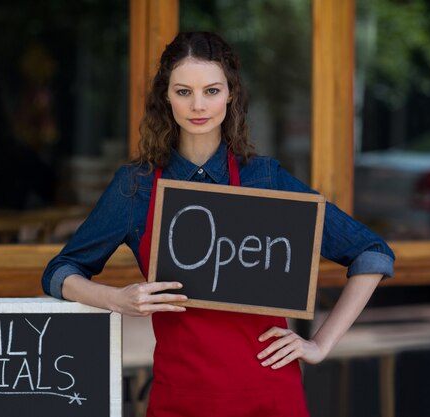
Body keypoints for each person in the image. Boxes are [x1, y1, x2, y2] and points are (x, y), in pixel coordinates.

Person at [42, 32, 394, 416]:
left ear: (230, 94)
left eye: (211, 91)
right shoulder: (135, 186)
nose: (198, 105)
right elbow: (60, 272)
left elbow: (371, 253)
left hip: (270, 394)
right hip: (180, 397)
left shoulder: (265, 179)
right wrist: (117, 299)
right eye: (183, 91)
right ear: (165, 97)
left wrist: (320, 344)